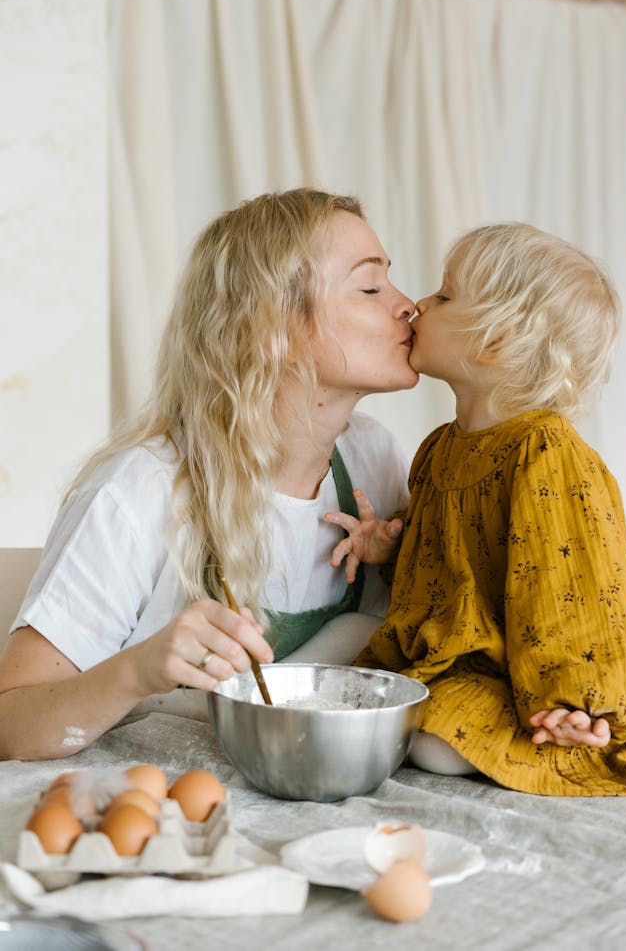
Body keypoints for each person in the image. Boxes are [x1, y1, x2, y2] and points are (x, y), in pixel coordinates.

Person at [0, 189, 417, 760]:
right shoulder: (139, 490)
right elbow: (10, 724)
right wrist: (139, 669)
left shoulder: (375, 458)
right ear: (276, 323)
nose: (407, 305)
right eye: (370, 287)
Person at [333, 222, 626, 796]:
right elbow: (448, 581)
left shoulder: (545, 454)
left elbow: (573, 589)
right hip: (464, 655)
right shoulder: (438, 449)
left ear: (495, 342)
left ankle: (624, 660)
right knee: (362, 675)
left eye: (443, 297)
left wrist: (577, 703)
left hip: (527, 666)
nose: (418, 304)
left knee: (432, 746)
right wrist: (393, 550)